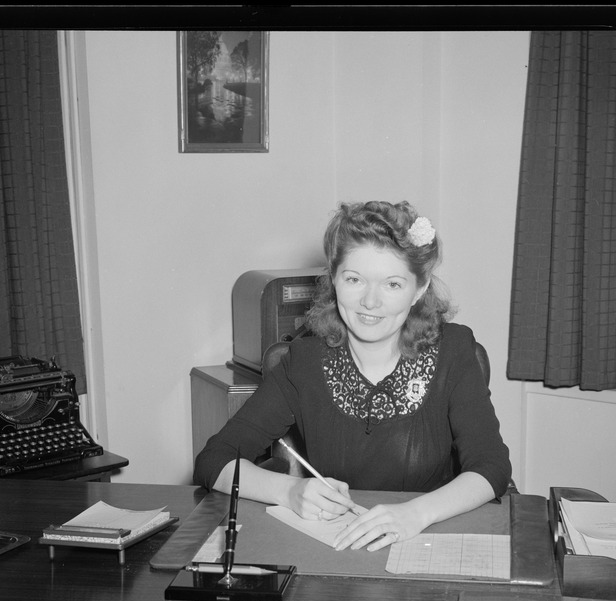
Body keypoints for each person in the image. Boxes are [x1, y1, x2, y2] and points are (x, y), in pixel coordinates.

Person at [193, 200, 512, 552]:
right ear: (334, 279)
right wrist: (289, 491)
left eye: (392, 284)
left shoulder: (454, 350)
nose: (369, 302)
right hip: (342, 546)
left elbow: (492, 467)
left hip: (429, 541)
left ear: (419, 290)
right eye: (354, 279)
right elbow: (214, 460)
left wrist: (416, 514)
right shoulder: (305, 362)